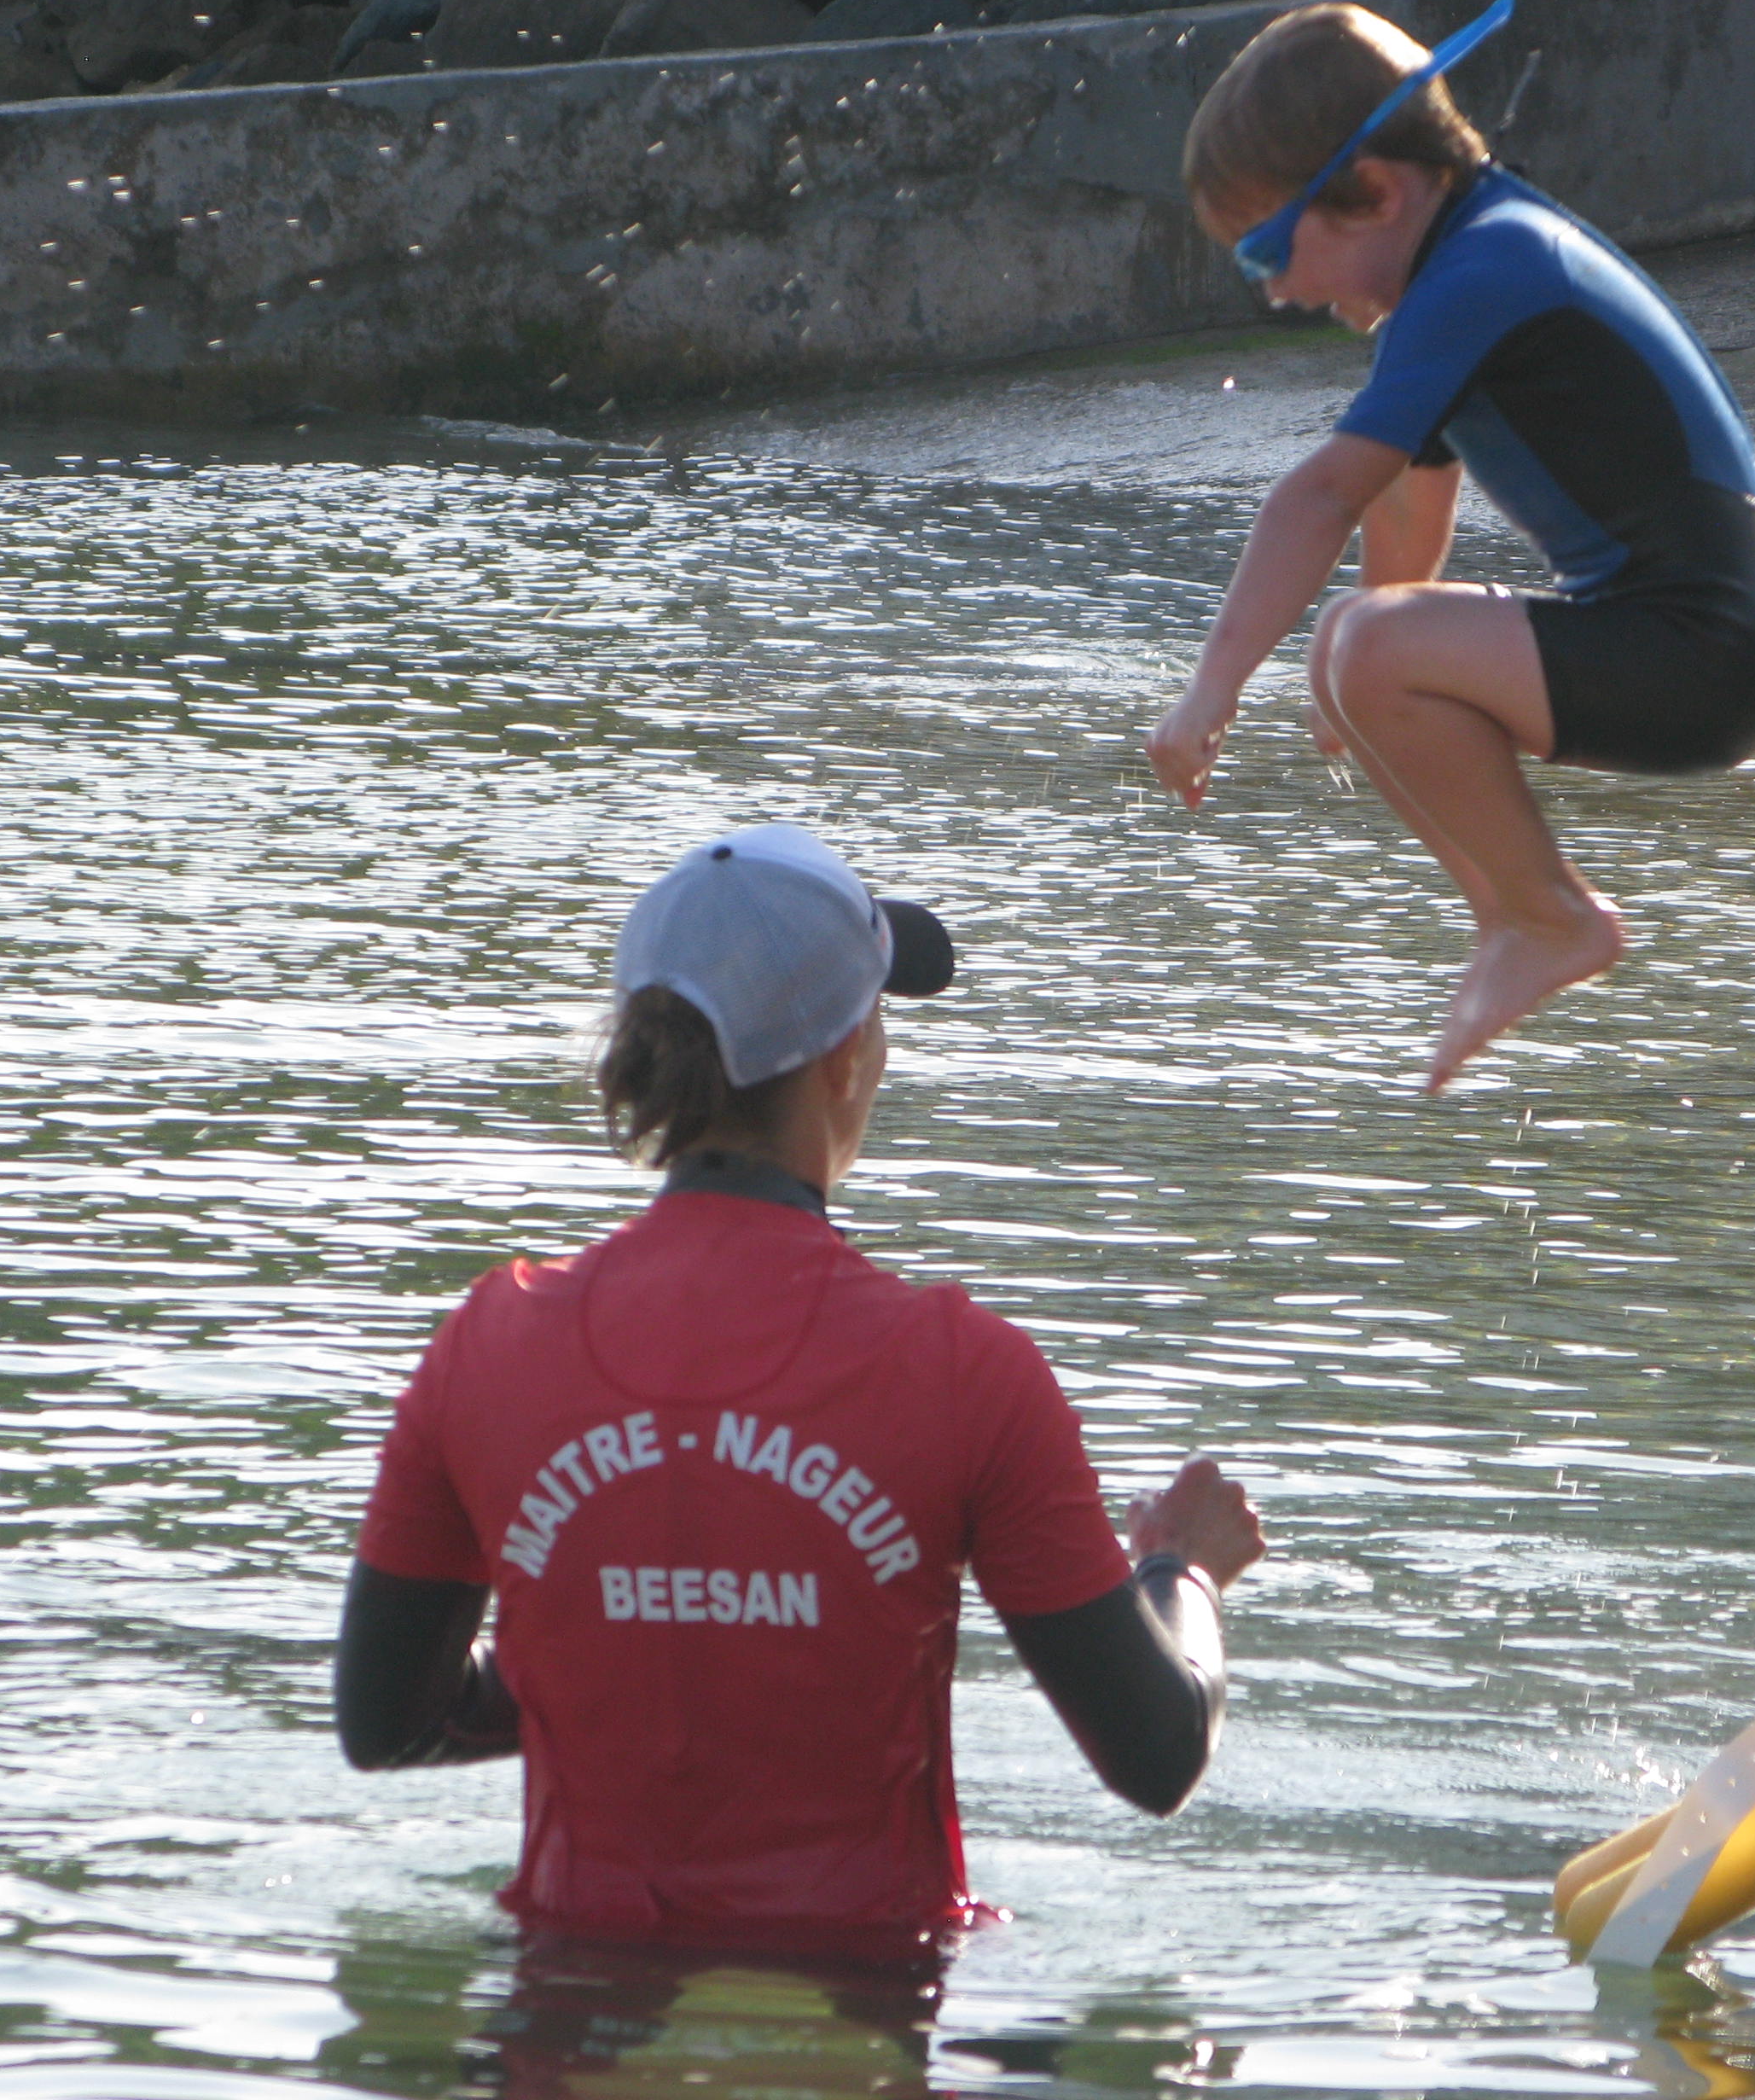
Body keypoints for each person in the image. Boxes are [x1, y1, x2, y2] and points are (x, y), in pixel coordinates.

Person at [335, 823, 1266, 1956]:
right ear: (848, 1057)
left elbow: (387, 1722)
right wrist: (1185, 1570)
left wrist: (615, 1646)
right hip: (869, 2013)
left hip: (566, 2017)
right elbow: (1159, 1756)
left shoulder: (486, 1342)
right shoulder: (965, 1372)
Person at [1145, 0, 1755, 1091]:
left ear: (1380, 193)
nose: (1273, 290)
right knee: (1358, 646)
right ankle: (1516, 919)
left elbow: (1321, 498)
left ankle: (1546, 916)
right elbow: (1406, 503)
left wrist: (1209, 693)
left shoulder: (1483, 269)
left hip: (1698, 656)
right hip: (1694, 648)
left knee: (1364, 644)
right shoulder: (1468, 258)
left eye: (1269, 247)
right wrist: (1352, 691)